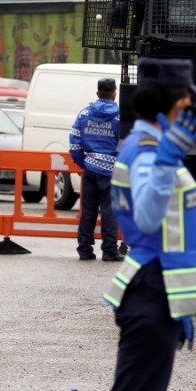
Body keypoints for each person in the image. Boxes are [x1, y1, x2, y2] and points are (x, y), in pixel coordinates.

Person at [92, 58, 196, 391]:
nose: (189, 109)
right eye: (185, 101)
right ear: (174, 105)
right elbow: (145, 217)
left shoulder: (147, 147)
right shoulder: (148, 153)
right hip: (151, 292)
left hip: (155, 291)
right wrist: (165, 163)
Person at [70, 77, 122, 261]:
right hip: (111, 171)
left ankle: (84, 250)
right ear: (114, 94)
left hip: (90, 168)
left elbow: (74, 142)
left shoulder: (84, 114)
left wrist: (83, 163)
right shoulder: (120, 116)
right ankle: (109, 251)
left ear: (98, 93)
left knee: (88, 210)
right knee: (109, 211)